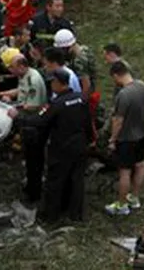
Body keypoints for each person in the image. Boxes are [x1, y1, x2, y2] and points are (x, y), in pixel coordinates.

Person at [10, 69, 89, 223]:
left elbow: (40, 121)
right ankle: (76, 214)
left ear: (59, 83)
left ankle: (50, 216)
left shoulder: (57, 104)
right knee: (76, 180)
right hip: (80, 144)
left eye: (52, 82)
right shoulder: (81, 99)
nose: (51, 86)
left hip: (62, 147)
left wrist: (17, 117)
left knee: (55, 181)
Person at [0, 53, 47, 205]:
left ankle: (34, 192)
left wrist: (15, 108)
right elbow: (21, 91)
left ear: (21, 66)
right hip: (25, 120)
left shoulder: (34, 79)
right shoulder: (24, 76)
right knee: (28, 155)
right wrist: (5, 94)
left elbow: (34, 105)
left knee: (34, 159)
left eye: (12, 67)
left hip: (33, 123)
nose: (10, 71)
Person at [104, 61, 144, 216]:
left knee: (124, 171)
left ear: (116, 75)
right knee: (140, 165)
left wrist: (112, 139)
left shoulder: (123, 95)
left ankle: (121, 205)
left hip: (126, 138)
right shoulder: (142, 86)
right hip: (141, 134)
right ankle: (134, 198)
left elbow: (118, 120)